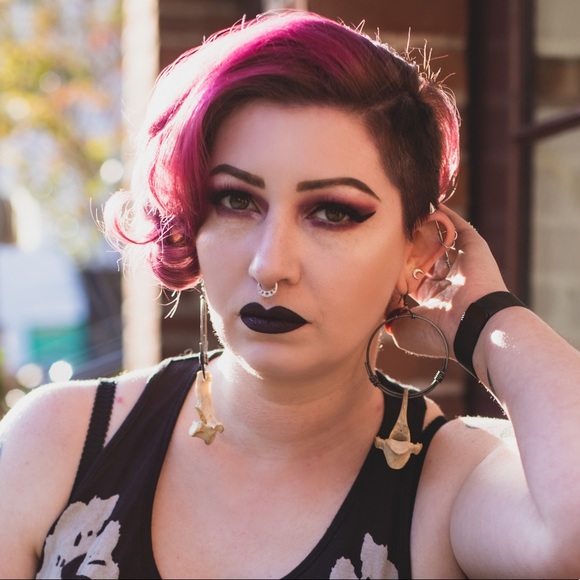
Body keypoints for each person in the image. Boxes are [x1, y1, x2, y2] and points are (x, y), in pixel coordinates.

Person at [1, 10, 579, 579]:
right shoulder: (57, 441)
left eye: (333, 212)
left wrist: (483, 317)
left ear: (418, 249)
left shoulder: (449, 487)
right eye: (236, 201)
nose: (270, 266)